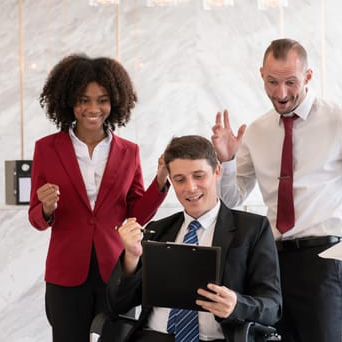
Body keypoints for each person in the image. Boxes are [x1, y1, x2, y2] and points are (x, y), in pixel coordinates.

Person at [211, 38, 342, 342]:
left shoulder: (339, 120)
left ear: (308, 76)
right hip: (270, 260)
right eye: (272, 82)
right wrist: (228, 161)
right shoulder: (258, 131)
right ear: (262, 74)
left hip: (322, 259)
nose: (281, 93)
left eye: (291, 82)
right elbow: (233, 199)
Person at [28, 54, 169, 342]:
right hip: (65, 273)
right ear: (69, 101)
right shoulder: (46, 149)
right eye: (83, 99)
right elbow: (37, 220)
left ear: (114, 102)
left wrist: (161, 180)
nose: (93, 108)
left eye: (102, 100)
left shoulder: (128, 151)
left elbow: (137, 215)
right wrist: (46, 208)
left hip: (116, 269)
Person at [107, 135, 282, 342]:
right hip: (154, 337)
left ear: (217, 171)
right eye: (180, 179)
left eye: (199, 176)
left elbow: (273, 307)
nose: (190, 188)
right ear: (171, 181)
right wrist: (132, 257)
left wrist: (236, 305)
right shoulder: (158, 230)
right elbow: (118, 304)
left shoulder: (252, 229)